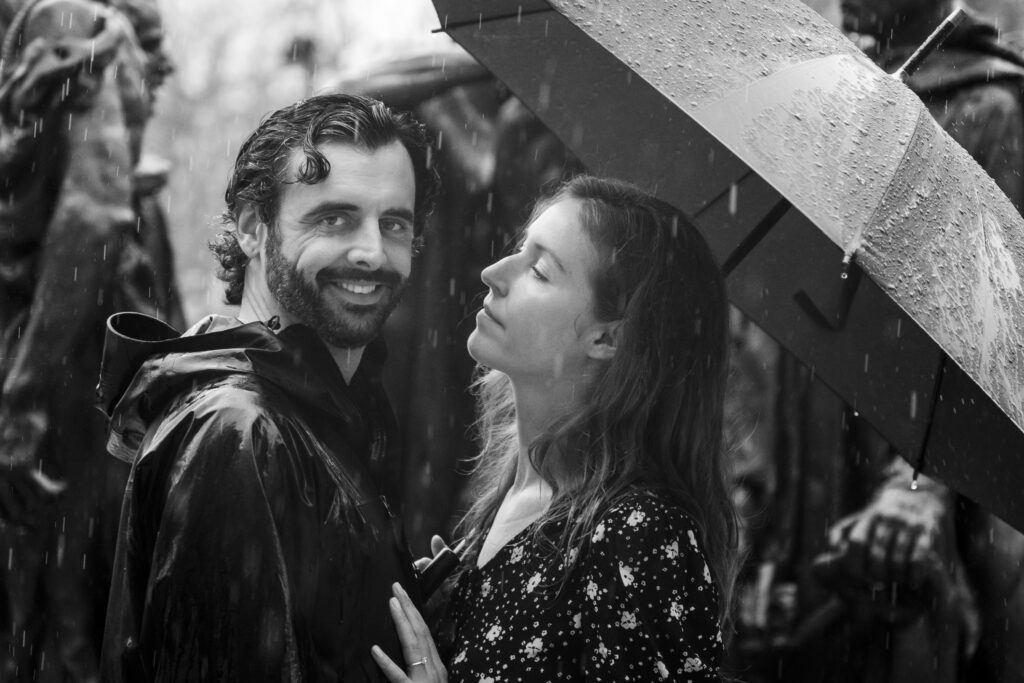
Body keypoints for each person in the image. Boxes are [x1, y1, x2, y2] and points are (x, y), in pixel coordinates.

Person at [725, 1, 1024, 681]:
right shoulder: (818, 86)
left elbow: (984, 333)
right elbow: (761, 320)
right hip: (797, 458)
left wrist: (918, 488)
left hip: (906, 468)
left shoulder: (987, 105)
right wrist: (744, 513)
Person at [97, 93, 439, 681]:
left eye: (394, 223)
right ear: (254, 230)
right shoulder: (239, 430)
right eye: (334, 218)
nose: (372, 252)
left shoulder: (322, 407)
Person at [371, 175, 739, 682]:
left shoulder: (636, 535)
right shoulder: (511, 501)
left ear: (607, 338)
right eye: (520, 251)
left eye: (539, 271)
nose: (493, 272)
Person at [0, 0, 180, 679]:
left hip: (53, 369)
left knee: (54, 599)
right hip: (51, 358)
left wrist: (23, 398)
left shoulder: (68, 23)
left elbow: (91, 215)